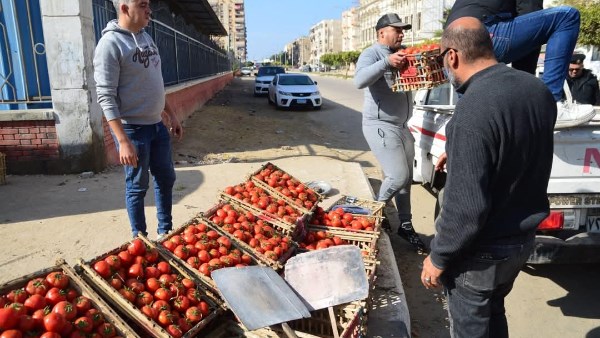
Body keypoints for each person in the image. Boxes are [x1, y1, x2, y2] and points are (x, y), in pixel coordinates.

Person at [421, 17, 556, 337]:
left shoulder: (471, 110)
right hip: (520, 242)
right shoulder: (535, 89)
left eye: (443, 61)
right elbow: (519, 142)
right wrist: (465, 152)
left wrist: (438, 258)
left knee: (473, 325)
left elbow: (466, 208)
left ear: (452, 56)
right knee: (494, 312)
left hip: (481, 254)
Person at [94, 0, 183, 240]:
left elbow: (157, 82)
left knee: (166, 177)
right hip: (132, 130)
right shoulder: (110, 44)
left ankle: (165, 231)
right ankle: (140, 239)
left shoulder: (147, 38)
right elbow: (105, 96)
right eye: (143, 5)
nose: (149, 10)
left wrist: (171, 114)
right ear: (124, 8)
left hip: (157, 125)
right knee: (137, 186)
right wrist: (122, 140)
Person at [445, 0, 595, 129]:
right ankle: (552, 105)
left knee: (472, 119)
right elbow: (530, 17)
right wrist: (528, 99)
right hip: (480, 35)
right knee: (567, 16)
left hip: (448, 54)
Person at [354, 13, 426, 252]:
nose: (402, 33)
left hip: (402, 126)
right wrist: (386, 62)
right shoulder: (371, 54)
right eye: (397, 29)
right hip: (380, 125)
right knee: (397, 176)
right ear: (382, 32)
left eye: (403, 30)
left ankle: (406, 225)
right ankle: (374, 214)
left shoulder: (404, 52)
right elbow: (359, 81)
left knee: (406, 181)